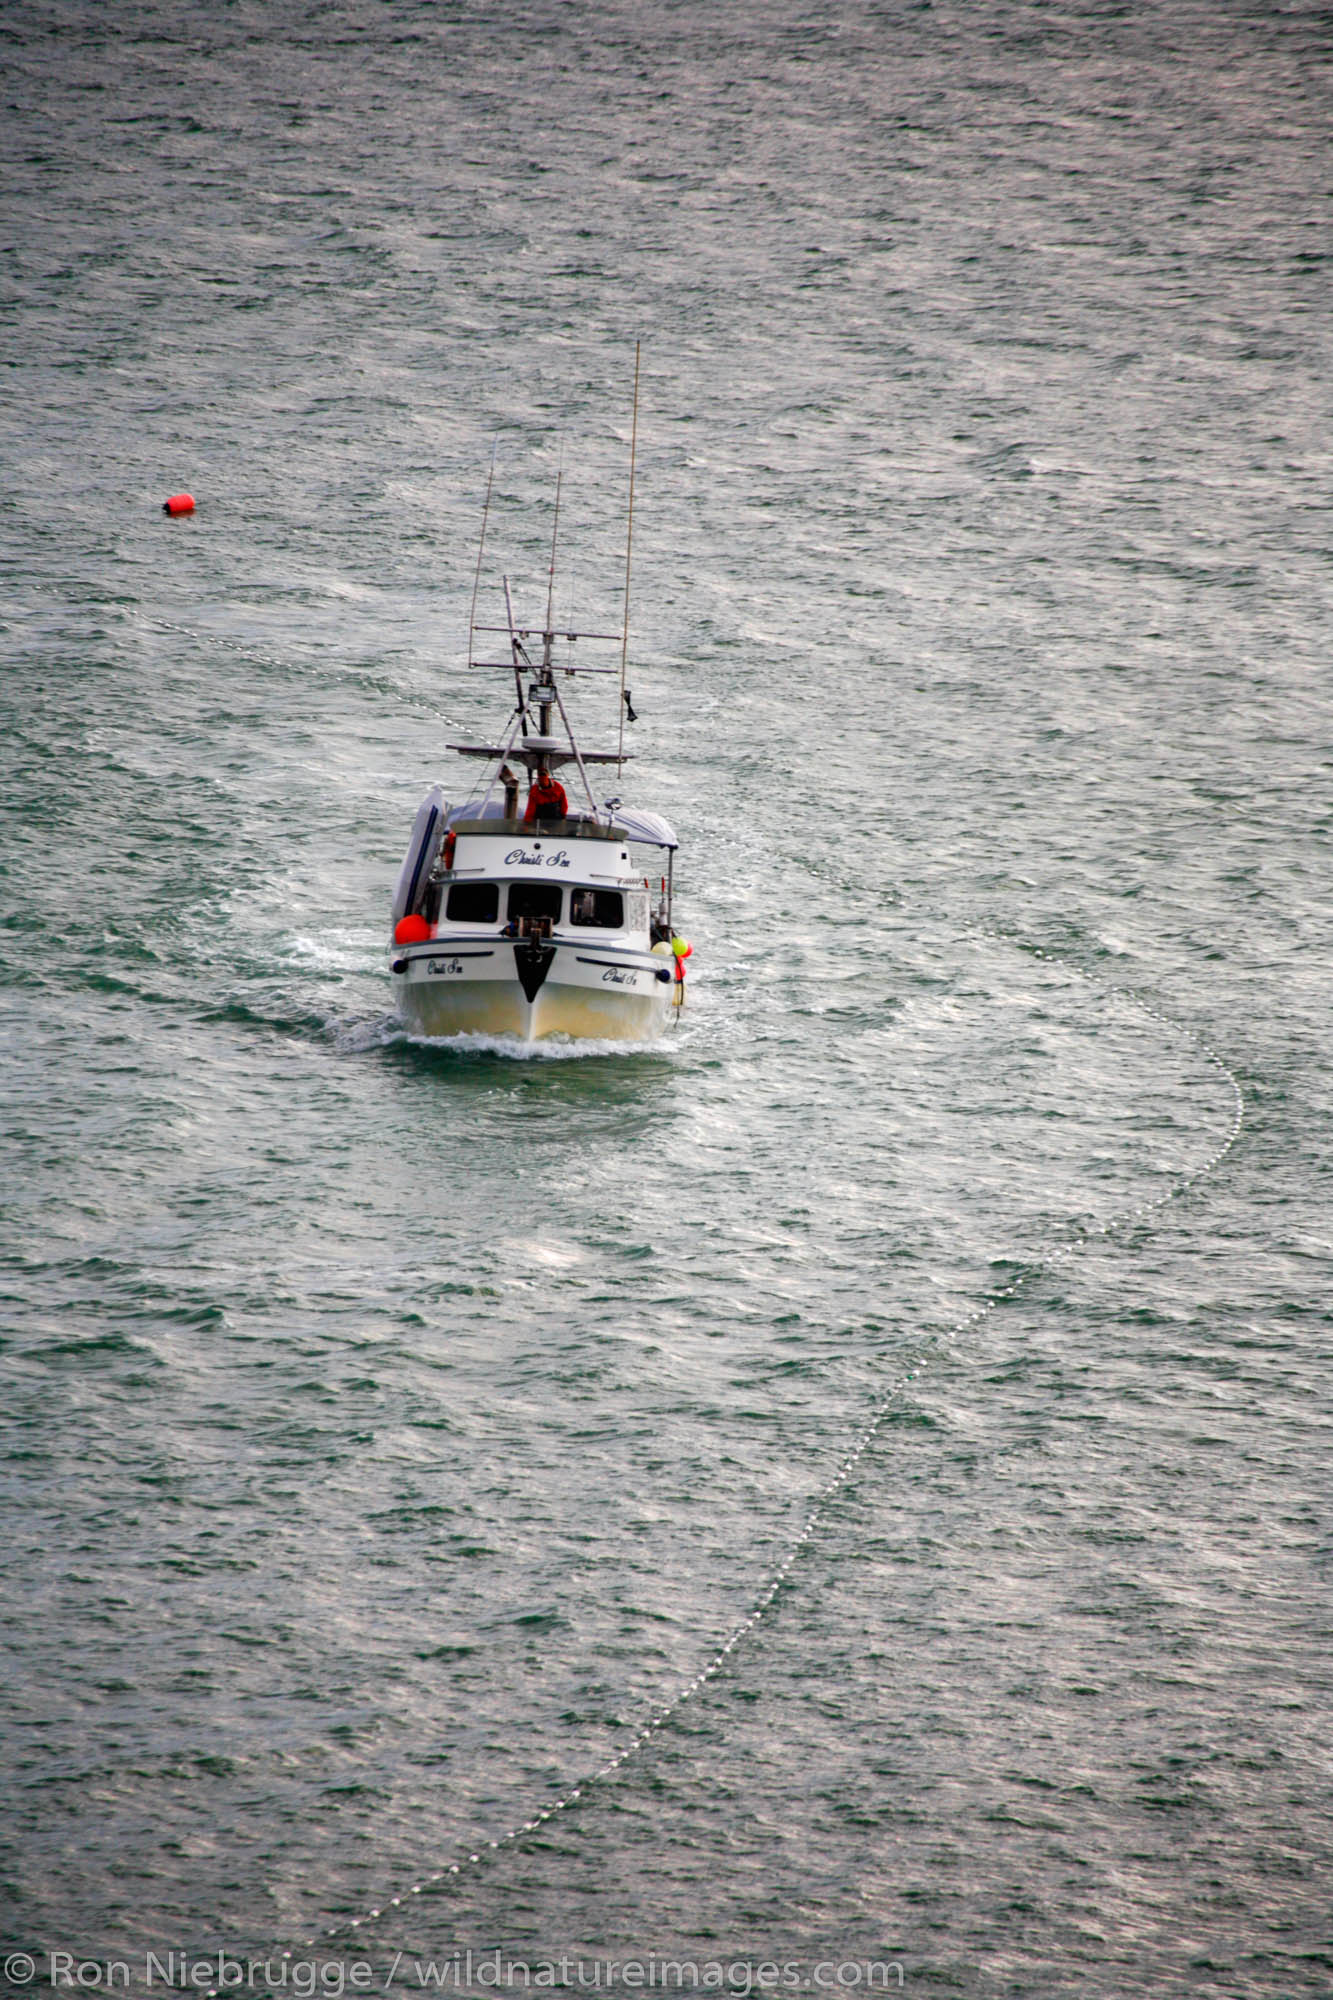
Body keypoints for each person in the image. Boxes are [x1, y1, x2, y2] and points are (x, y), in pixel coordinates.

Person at [523, 760, 568, 825]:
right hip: (540, 821)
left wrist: (563, 817)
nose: (542, 778)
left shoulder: (558, 787)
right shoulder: (534, 790)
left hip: (555, 820)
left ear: (548, 775)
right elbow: (530, 809)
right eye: (540, 775)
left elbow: (564, 805)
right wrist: (527, 823)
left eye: (544, 775)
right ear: (538, 777)